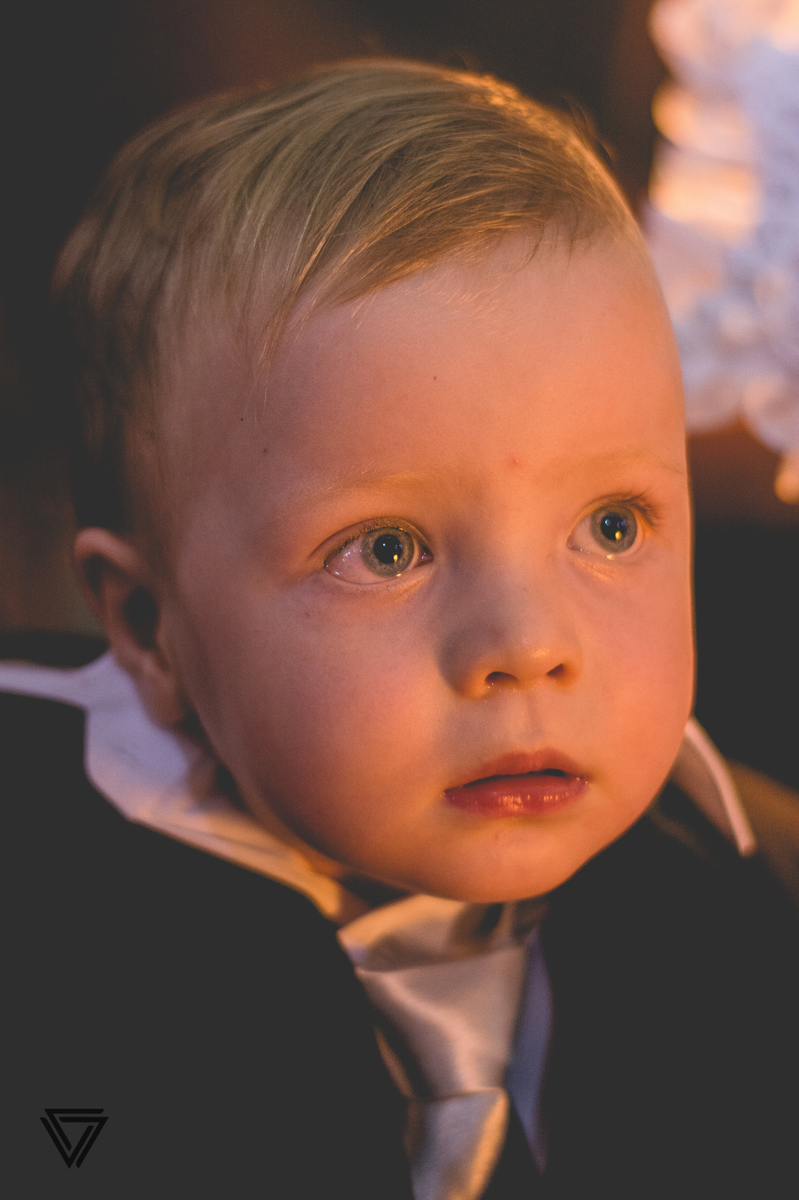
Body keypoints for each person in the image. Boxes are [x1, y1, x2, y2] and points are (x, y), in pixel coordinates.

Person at [2, 60, 797, 1199]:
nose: (528, 645)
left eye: (612, 526)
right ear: (146, 621)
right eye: (385, 550)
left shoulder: (762, 901)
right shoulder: (36, 918)